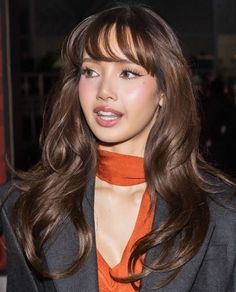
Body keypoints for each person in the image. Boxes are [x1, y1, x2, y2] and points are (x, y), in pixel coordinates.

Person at [1, 3, 236, 292]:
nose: (104, 92)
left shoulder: (221, 213)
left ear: (164, 90)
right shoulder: (29, 207)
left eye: (127, 73)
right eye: (91, 71)